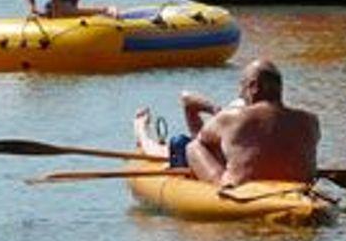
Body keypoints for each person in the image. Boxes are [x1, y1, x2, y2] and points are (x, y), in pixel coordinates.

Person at [135, 58, 319, 188]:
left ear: (253, 87)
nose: (240, 94)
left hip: (239, 187)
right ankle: (142, 131)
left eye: (242, 87)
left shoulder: (231, 118)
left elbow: (200, 140)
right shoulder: (311, 121)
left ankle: (221, 185)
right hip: (297, 186)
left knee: (192, 146)